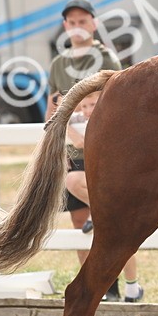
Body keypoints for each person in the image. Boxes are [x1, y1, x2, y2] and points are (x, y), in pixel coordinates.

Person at [45, 0, 127, 301]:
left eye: (83, 21)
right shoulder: (59, 64)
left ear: (93, 24)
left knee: (104, 221)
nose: (77, 27)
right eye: (72, 22)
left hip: (101, 151)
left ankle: (113, 285)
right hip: (72, 151)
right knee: (79, 221)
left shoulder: (107, 60)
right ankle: (92, 287)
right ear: (65, 26)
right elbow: (52, 105)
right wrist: (56, 140)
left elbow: (116, 105)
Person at [64, 89, 144, 303]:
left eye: (93, 104)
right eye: (84, 106)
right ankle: (91, 288)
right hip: (85, 176)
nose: (88, 110)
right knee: (87, 232)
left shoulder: (114, 119)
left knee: (119, 235)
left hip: (110, 178)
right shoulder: (78, 119)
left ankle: (132, 287)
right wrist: (70, 131)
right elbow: (55, 119)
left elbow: (86, 144)